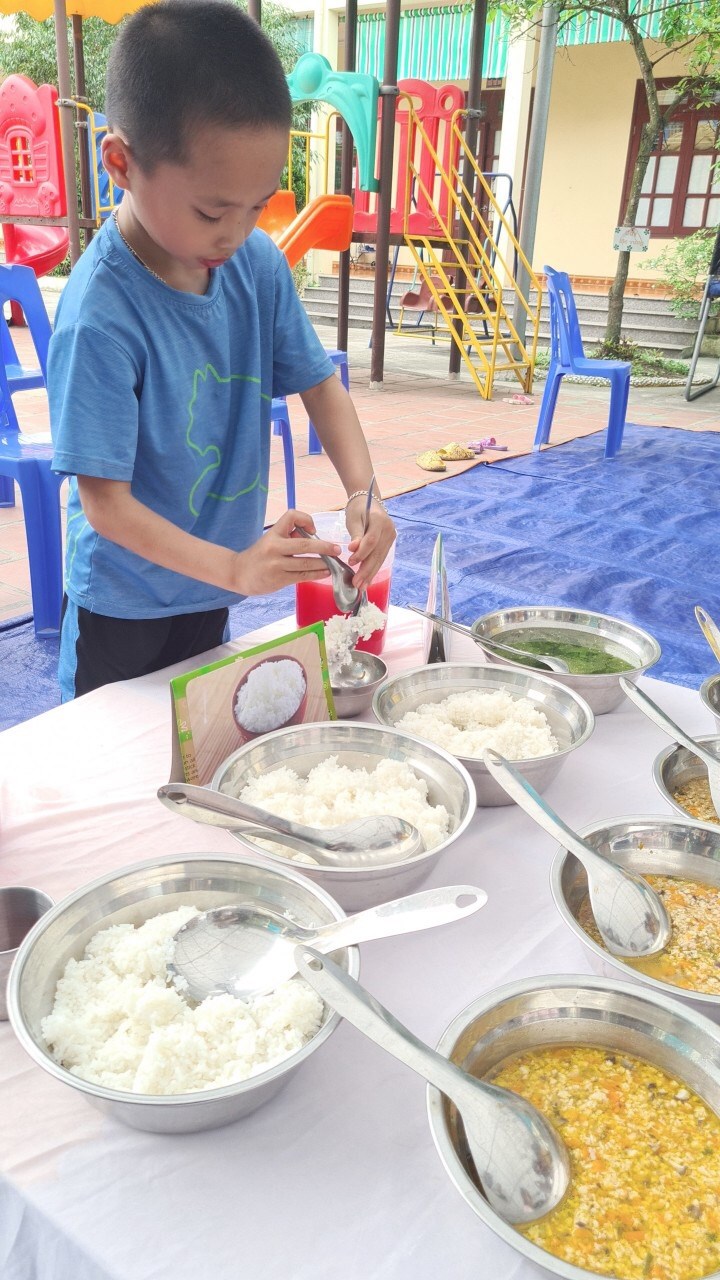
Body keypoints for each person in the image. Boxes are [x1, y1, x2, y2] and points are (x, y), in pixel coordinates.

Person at [49, 0, 395, 701]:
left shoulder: (256, 266)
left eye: (257, 205)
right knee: (116, 753)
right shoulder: (100, 315)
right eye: (212, 210)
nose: (235, 233)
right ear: (121, 162)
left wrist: (365, 493)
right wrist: (238, 568)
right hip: (123, 604)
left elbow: (320, 386)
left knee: (206, 734)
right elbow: (106, 506)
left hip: (209, 589)